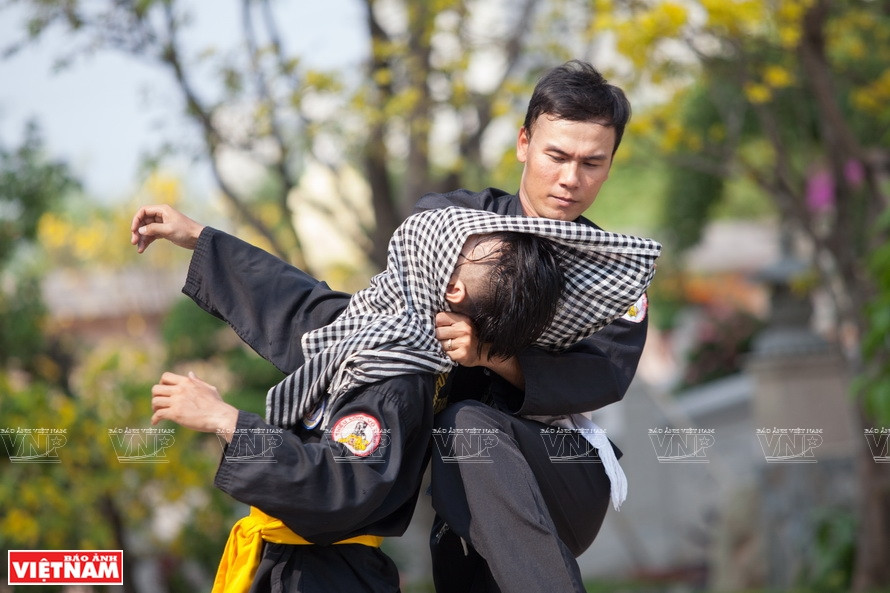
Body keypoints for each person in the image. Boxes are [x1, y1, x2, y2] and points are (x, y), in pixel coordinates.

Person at [132, 205, 661, 593]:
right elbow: (298, 302)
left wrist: (227, 420)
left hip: (326, 579)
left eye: (478, 244)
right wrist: (199, 237)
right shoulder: (374, 337)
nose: (464, 226)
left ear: (452, 289)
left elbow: (339, 482)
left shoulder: (398, 377)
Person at [415, 60, 644, 592]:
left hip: (561, 469)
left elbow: (604, 375)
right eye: (556, 155)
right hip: (462, 493)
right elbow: (420, 231)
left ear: (610, 166)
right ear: (524, 143)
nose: (571, 179)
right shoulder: (462, 225)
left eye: (592, 162)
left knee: (466, 424)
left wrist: (491, 352)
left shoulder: (612, 271)